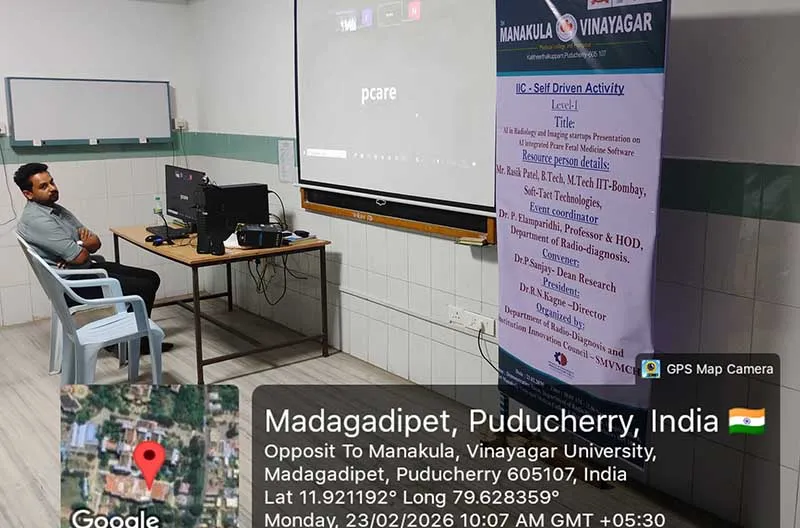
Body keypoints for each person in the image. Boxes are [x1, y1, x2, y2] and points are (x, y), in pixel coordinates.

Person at [14, 162, 173, 354]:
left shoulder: (56, 210)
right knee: (142, 287)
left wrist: (75, 248)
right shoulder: (37, 219)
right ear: (28, 194)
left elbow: (95, 242)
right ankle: (134, 345)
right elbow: (80, 256)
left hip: (84, 269)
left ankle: (130, 340)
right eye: (43, 186)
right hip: (72, 285)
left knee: (151, 277)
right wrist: (77, 250)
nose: (52, 188)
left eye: (52, 182)